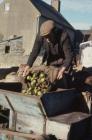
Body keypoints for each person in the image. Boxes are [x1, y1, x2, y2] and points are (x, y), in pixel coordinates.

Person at [18, 20, 73, 88]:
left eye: (49, 36)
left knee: (63, 82)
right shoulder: (41, 36)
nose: (47, 39)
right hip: (51, 61)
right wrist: (28, 65)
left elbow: (69, 56)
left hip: (64, 62)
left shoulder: (63, 36)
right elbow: (35, 52)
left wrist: (62, 70)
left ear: (54, 31)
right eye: (45, 37)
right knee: (48, 79)